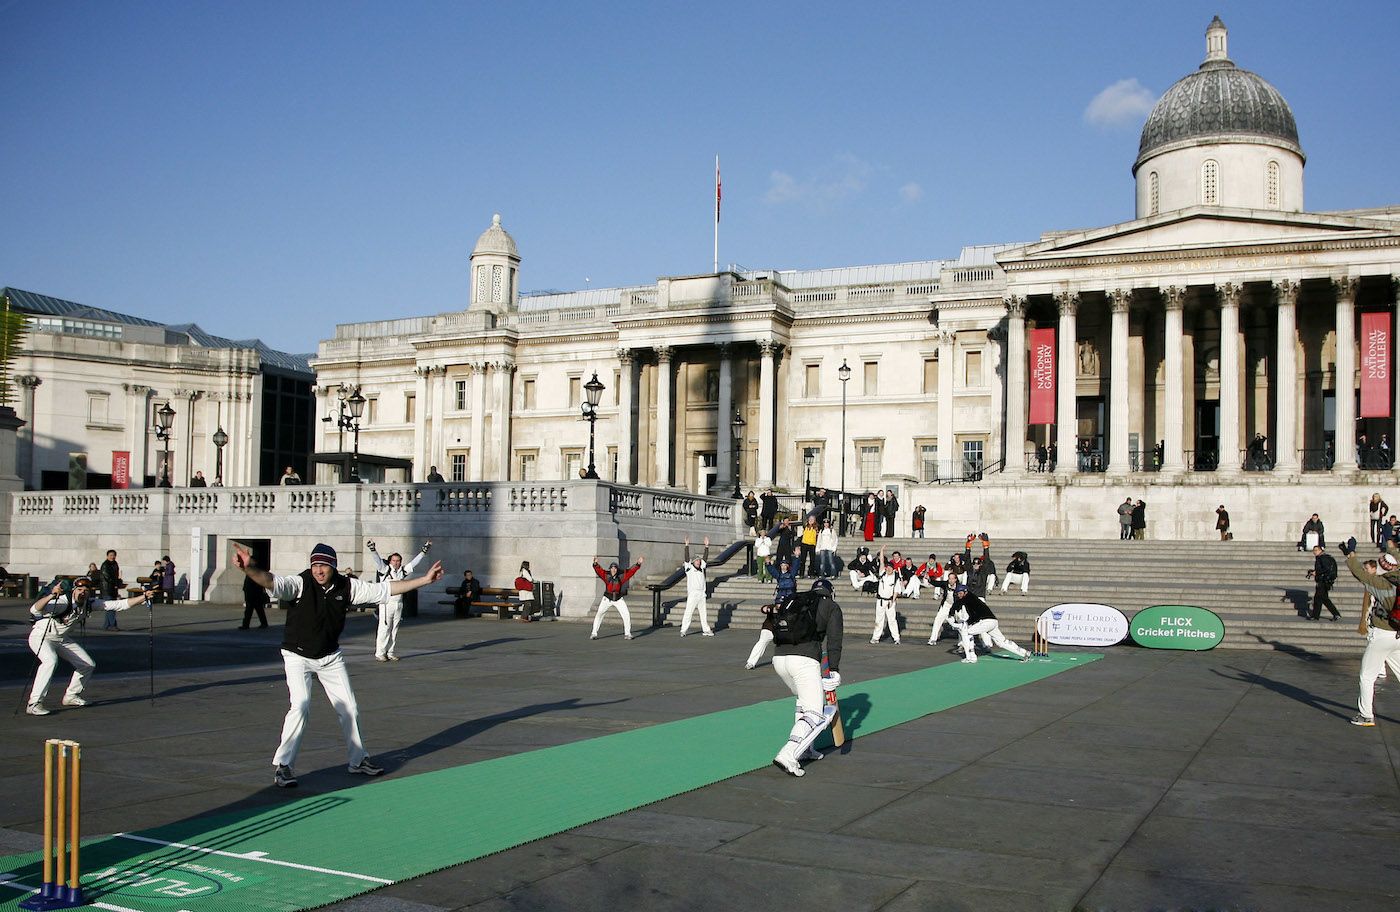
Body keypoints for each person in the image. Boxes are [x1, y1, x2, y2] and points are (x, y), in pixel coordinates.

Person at [234, 542, 443, 787]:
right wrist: (249, 568)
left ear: (333, 566)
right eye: (315, 565)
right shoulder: (300, 584)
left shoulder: (348, 586)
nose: (318, 570)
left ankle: (358, 760)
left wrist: (425, 580)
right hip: (297, 656)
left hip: (330, 657)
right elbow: (271, 581)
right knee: (300, 706)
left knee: (350, 708)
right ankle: (284, 766)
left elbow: (385, 589)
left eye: (323, 565)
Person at [26, 577, 157, 715]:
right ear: (74, 590)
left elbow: (118, 604)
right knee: (50, 661)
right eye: (79, 590)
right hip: (41, 636)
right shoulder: (63, 601)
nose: (82, 593)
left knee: (87, 664)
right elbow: (35, 609)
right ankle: (34, 703)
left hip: (62, 639)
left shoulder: (89, 603)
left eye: (86, 590)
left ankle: (71, 696)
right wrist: (52, 595)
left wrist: (143, 597)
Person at [770, 578, 844, 777]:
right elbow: (834, 640)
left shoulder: (798, 600)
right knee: (815, 714)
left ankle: (807, 749)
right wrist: (834, 669)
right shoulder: (831, 606)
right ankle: (789, 754)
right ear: (831, 592)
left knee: (803, 701)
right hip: (804, 659)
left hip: (779, 658)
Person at [1338, 537, 1400, 727]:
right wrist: (1392, 548)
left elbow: (1359, 573)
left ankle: (1365, 715)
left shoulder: (1380, 584)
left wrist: (1351, 555)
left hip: (1382, 634)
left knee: (1366, 676)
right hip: (1398, 634)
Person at [367, 538, 432, 661]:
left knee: (394, 629)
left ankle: (390, 652)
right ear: (390, 561)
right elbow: (377, 560)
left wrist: (424, 551)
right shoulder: (385, 570)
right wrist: (372, 549)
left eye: (398, 561)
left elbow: (414, 563)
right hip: (386, 603)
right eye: (394, 560)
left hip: (398, 603)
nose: (396, 563)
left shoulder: (402, 571)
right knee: (384, 628)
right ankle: (380, 653)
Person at [950, 582, 1031, 663]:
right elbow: (973, 616)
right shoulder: (970, 600)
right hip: (993, 621)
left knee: (967, 632)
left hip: (986, 621)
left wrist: (951, 614)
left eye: (960, 593)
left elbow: (958, 604)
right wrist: (968, 622)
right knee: (1001, 642)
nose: (959, 595)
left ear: (966, 592)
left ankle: (971, 657)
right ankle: (1024, 653)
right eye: (958, 594)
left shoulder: (969, 597)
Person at [591, 556, 643, 640]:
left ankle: (627, 634)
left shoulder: (621, 576)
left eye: (615, 568)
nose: (613, 570)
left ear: (617, 569)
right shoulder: (606, 575)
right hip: (607, 598)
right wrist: (595, 564)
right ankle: (594, 633)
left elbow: (630, 571)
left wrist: (638, 564)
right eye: (612, 568)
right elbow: (599, 571)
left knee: (626, 614)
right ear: (610, 569)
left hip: (618, 599)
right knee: (599, 614)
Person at [679, 537, 713, 637]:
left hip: (702, 594)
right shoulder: (689, 568)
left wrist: (706, 546)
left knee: (703, 613)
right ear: (693, 562)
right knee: (688, 612)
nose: (698, 562)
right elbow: (686, 558)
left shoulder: (702, 568)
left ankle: (706, 630)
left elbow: (705, 558)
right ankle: (683, 630)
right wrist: (686, 546)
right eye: (697, 561)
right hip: (693, 594)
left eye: (699, 561)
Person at [871, 548, 901, 645]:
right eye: (887, 567)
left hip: (889, 601)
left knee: (892, 620)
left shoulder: (895, 577)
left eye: (890, 568)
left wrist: (893, 600)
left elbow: (896, 590)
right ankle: (875, 637)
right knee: (879, 620)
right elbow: (881, 561)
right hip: (880, 601)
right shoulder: (882, 573)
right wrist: (882, 550)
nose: (888, 569)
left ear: (893, 569)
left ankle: (896, 638)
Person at [1306, 544, 1339, 621]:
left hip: (1323, 581)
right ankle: (1336, 614)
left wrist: (1316, 572)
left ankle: (1315, 616)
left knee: (1318, 598)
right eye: (1313, 550)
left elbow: (1326, 568)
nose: (1314, 552)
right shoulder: (1322, 558)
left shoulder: (1322, 558)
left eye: (1316, 550)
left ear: (1321, 550)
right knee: (1324, 599)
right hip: (1324, 581)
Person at [99, 548, 122, 630]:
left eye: (114, 555)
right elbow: (108, 577)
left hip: (113, 589)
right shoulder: (105, 565)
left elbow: (116, 576)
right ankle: (113, 625)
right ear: (107, 556)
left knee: (110, 607)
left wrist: (118, 582)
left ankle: (106, 625)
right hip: (107, 589)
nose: (112, 557)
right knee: (111, 607)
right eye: (111, 555)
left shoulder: (115, 564)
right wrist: (116, 583)